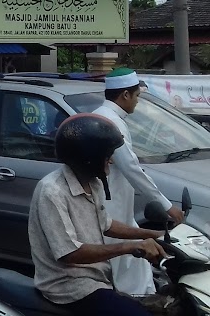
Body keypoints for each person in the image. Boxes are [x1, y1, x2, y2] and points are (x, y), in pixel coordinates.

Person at [29, 113, 166, 315]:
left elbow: (106, 224)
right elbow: (69, 253)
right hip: (68, 286)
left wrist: (155, 235)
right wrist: (132, 247)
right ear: (89, 158)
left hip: (97, 279)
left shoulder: (93, 183)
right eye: (107, 155)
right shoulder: (52, 191)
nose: (110, 161)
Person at [92, 68, 184, 296]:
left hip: (119, 205)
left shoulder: (101, 116)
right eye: (136, 97)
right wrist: (166, 205)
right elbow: (131, 168)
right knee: (126, 266)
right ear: (125, 95)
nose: (136, 102)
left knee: (138, 263)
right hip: (111, 205)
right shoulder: (110, 122)